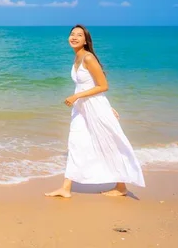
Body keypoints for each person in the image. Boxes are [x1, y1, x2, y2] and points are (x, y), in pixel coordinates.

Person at [45, 24, 145, 198]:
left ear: (85, 41)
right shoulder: (77, 57)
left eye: (79, 35)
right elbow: (90, 84)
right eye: (72, 34)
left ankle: (121, 187)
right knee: (76, 143)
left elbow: (104, 85)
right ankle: (66, 188)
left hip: (93, 106)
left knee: (109, 142)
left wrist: (79, 97)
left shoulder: (88, 58)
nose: (74, 37)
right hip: (82, 109)